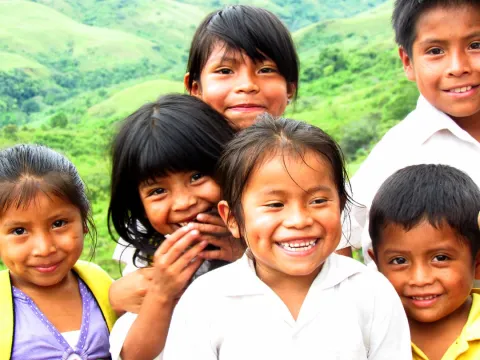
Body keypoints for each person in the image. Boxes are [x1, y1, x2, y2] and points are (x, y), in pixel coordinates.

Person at [109, 3, 306, 315]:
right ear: (194, 88)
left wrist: (246, 254)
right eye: (225, 71)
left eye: (266, 69)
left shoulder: (306, 167)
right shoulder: (172, 160)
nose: (247, 85)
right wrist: (116, 296)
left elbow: (332, 277)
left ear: (291, 87)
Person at [163, 115, 411, 360]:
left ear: (341, 205)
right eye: (274, 204)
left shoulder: (371, 291)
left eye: (318, 201)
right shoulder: (204, 302)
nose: (299, 220)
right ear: (233, 219)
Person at [340, 0, 480, 263]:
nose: (458, 67)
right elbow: (338, 231)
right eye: (436, 50)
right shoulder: (399, 151)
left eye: (476, 45)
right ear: (408, 62)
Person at [107, 94, 244, 360]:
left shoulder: (269, 230)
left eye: (196, 176)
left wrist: (244, 254)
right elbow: (134, 356)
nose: (183, 202)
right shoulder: (150, 260)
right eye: (158, 191)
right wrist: (162, 292)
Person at [0, 144, 116, 359]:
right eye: (19, 231)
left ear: (84, 220)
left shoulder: (102, 285)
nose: (44, 248)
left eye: (59, 223)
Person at [369, 164, 480, 360]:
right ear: (376, 265)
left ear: (477, 263)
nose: (419, 279)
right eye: (399, 260)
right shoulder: (367, 332)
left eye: (440, 258)